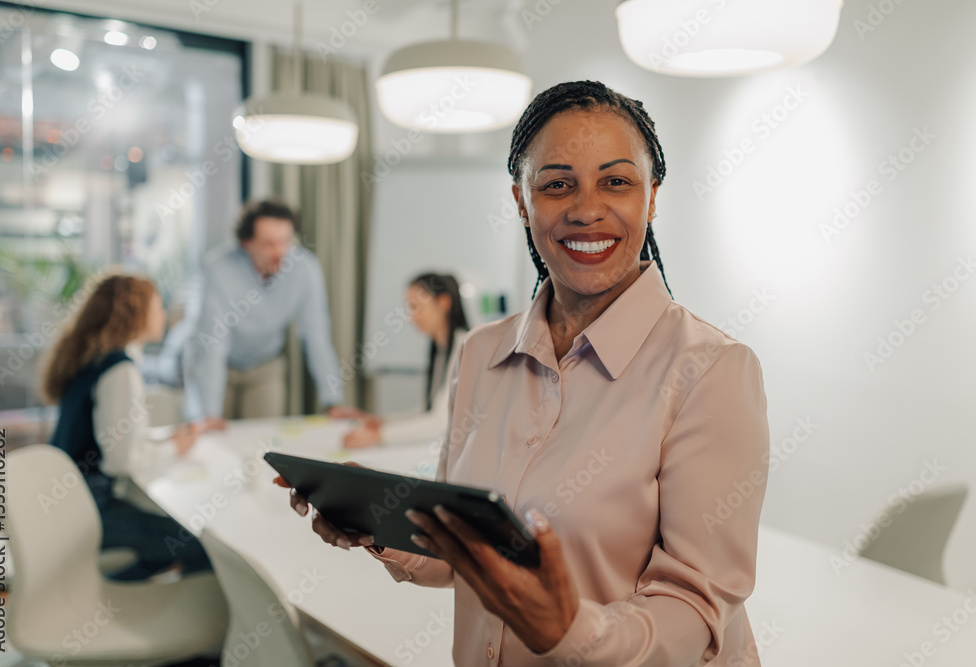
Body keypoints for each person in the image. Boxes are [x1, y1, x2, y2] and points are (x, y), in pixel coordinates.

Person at [279, 80, 770, 666]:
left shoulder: (711, 370)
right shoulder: (482, 354)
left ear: (652, 196)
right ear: (520, 200)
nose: (587, 209)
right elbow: (465, 551)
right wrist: (379, 520)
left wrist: (569, 632)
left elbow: (698, 610)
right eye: (557, 184)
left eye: (616, 181)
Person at [44, 274, 220, 581]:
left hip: (68, 502)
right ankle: (170, 615)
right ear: (136, 313)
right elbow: (121, 461)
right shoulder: (120, 369)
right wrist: (175, 447)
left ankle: (122, 595)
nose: (164, 314)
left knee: (167, 538)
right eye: (158, 306)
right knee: (205, 546)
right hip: (90, 510)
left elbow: (110, 441)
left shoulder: (93, 359)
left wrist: (166, 440)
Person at [185, 199, 343, 420]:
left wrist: (332, 400)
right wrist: (210, 413)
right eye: (269, 243)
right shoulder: (218, 268)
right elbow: (213, 342)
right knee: (214, 442)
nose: (279, 252)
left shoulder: (305, 268)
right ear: (247, 243)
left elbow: (317, 335)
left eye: (285, 241)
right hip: (217, 365)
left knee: (262, 441)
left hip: (265, 365)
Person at [329, 272, 469, 449]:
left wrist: (377, 436)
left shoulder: (465, 349)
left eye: (416, 307)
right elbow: (428, 410)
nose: (412, 317)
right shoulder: (440, 351)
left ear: (443, 303)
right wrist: (381, 422)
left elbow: (439, 423)